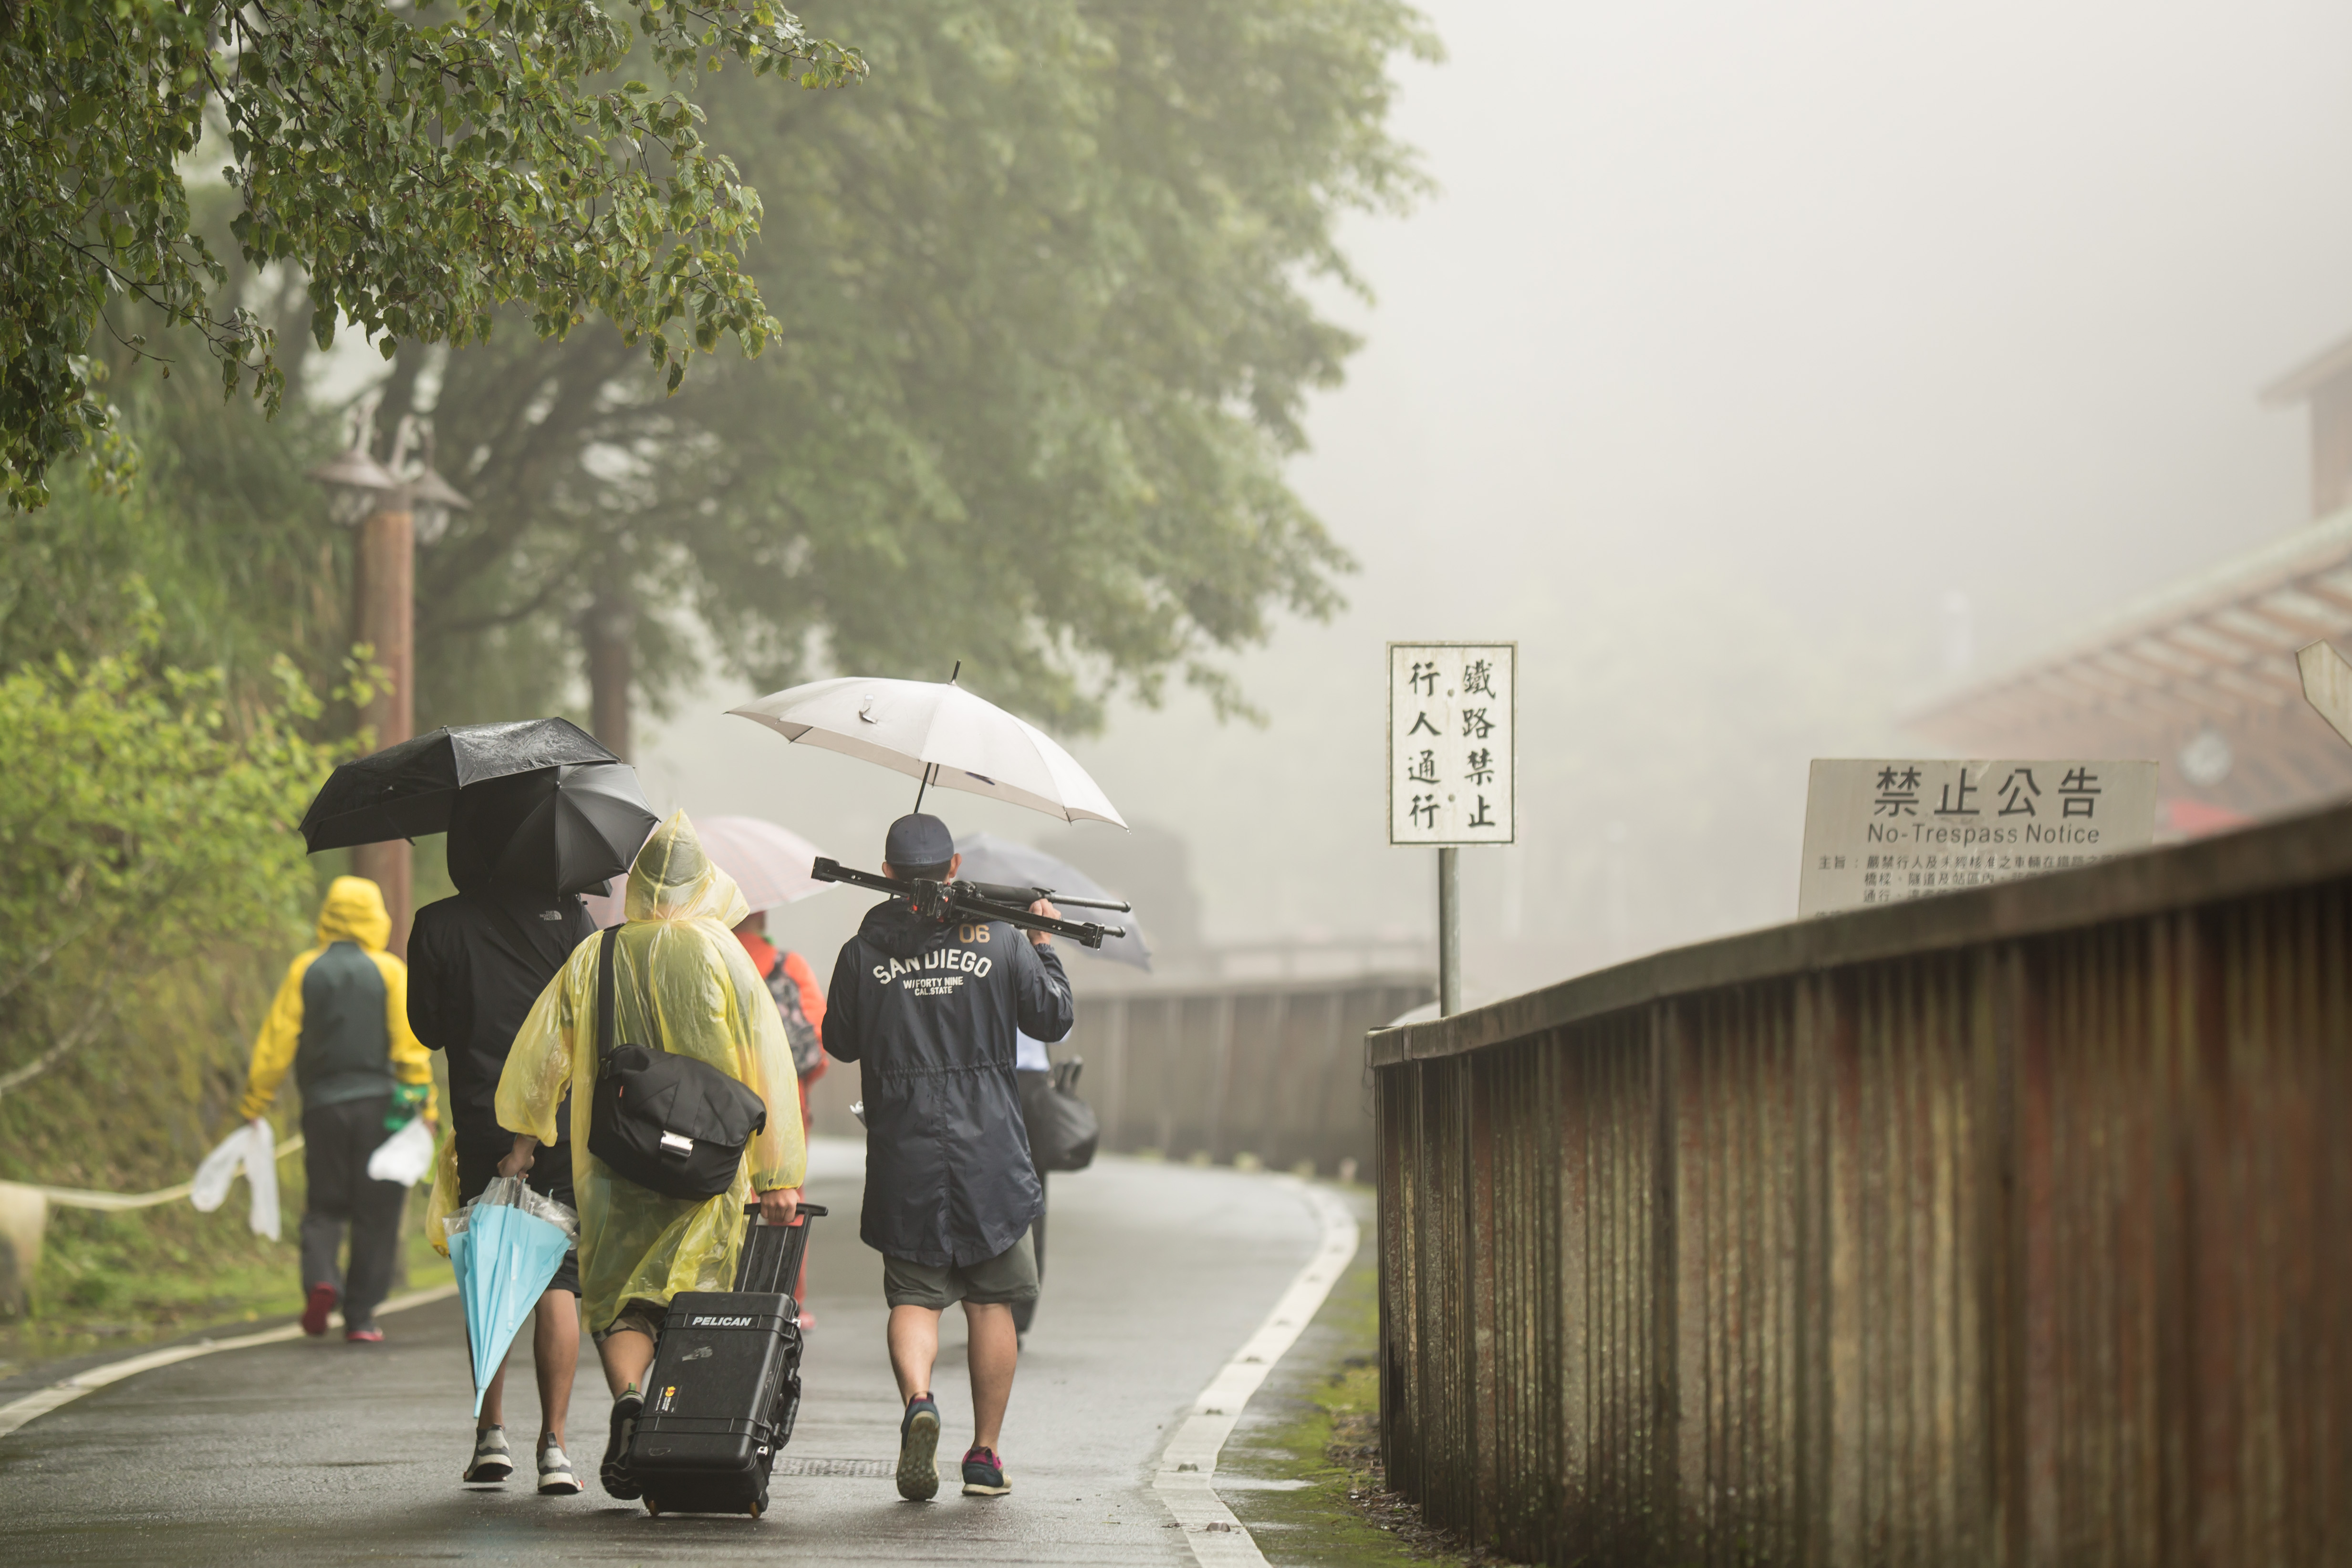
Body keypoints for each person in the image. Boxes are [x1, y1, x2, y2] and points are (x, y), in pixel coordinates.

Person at [492, 812, 807, 1501]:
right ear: (702, 881)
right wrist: (779, 1173)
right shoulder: (726, 954)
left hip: (615, 1160)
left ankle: (632, 1396)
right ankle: (681, 1433)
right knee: (697, 1293)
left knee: (622, 1296)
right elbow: (770, 1063)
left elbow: (544, 1049)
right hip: (713, 1160)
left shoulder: (597, 953)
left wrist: (523, 1138)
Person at [821, 812, 1073, 1503]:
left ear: (890, 870)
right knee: (992, 1301)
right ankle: (985, 1455)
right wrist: (1043, 943)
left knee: (913, 1295)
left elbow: (839, 1041)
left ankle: (919, 1401)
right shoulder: (1000, 939)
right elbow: (1051, 1018)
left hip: (903, 1145)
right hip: (990, 1145)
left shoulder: (861, 950)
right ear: (955, 866)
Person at [408, 792, 598, 1497]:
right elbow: (587, 1016)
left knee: (489, 1270)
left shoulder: (436, 924)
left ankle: (491, 1435)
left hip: (484, 1122)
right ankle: (555, 1444)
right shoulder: (572, 917)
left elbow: (426, 1028)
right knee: (558, 1275)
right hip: (557, 1122)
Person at [236, 875, 437, 1345]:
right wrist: (425, 1102)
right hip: (380, 1109)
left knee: (325, 1204)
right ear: (376, 916)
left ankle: (322, 1277)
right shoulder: (388, 970)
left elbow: (276, 1043)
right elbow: (409, 1047)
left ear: (328, 914)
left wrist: (254, 1102)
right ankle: (362, 1315)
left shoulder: (306, 969)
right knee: (377, 1210)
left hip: (323, 1106)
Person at [731, 906, 828, 1328]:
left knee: (727, 1197)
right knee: (787, 1197)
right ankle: (788, 1299)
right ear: (762, 917)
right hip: (786, 1105)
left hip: (724, 1102)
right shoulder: (790, 966)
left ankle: (728, 1296)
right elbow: (817, 1043)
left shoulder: (710, 961)